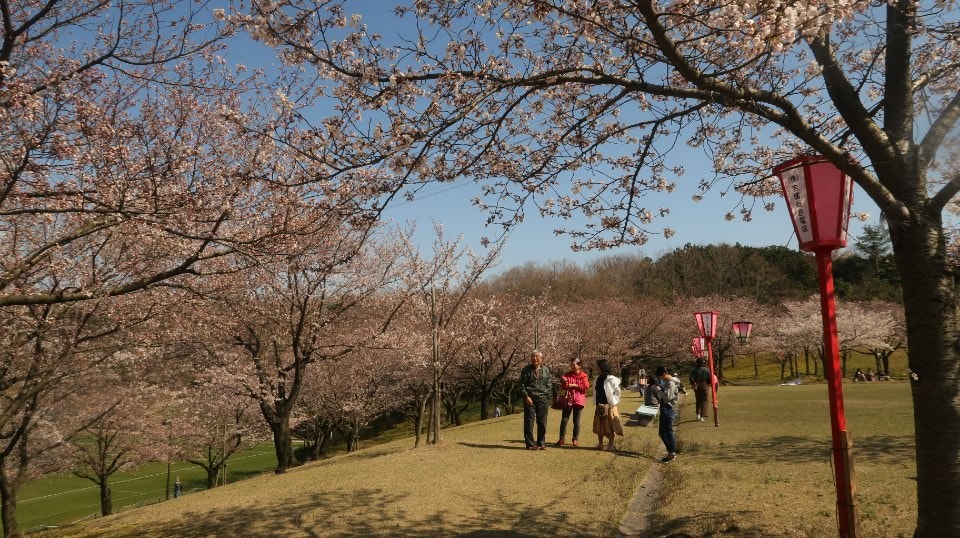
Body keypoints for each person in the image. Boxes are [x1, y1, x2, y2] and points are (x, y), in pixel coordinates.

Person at [519, 350, 552, 450]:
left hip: (543, 399)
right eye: (533, 356)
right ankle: (530, 444)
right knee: (529, 422)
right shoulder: (526, 370)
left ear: (541, 359)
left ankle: (541, 442)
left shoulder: (546, 370)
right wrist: (526, 396)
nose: (535, 358)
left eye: (537, 357)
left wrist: (547, 396)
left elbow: (549, 385)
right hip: (530, 399)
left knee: (542, 422)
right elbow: (521, 385)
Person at [556, 357, 590, 447]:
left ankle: (575, 439)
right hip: (568, 400)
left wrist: (574, 385)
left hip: (578, 400)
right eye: (571, 365)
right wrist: (567, 383)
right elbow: (564, 385)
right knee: (564, 420)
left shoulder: (584, 375)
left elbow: (586, 386)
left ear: (579, 365)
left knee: (576, 421)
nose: (571, 366)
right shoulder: (567, 374)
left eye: (573, 364)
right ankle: (561, 439)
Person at [592, 358, 623, 452]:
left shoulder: (611, 379)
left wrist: (612, 402)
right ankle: (600, 444)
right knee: (599, 426)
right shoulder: (597, 378)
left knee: (610, 426)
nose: (595, 367)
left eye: (597, 366)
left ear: (601, 367)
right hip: (599, 405)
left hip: (609, 406)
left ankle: (610, 445)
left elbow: (618, 392)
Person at [652, 365, 681, 463]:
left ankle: (672, 453)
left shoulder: (671, 383)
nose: (660, 379)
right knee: (662, 433)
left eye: (660, 377)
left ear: (663, 374)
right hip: (665, 408)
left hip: (668, 408)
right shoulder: (667, 382)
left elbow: (667, 397)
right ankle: (671, 452)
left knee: (667, 432)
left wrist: (658, 389)